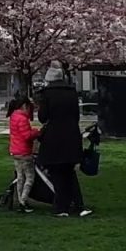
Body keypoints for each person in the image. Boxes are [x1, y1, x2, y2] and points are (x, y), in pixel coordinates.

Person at [36, 61, 92, 217]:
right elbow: (76, 116)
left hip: (53, 139)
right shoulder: (72, 92)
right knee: (69, 172)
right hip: (71, 137)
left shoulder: (47, 94)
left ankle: (61, 207)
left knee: (57, 173)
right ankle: (79, 205)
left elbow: (42, 117)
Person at [8, 97, 41, 213]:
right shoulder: (22, 118)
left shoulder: (13, 116)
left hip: (15, 151)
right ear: (24, 106)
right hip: (24, 152)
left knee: (20, 177)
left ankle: (20, 200)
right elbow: (27, 136)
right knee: (30, 177)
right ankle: (23, 201)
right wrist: (36, 132)